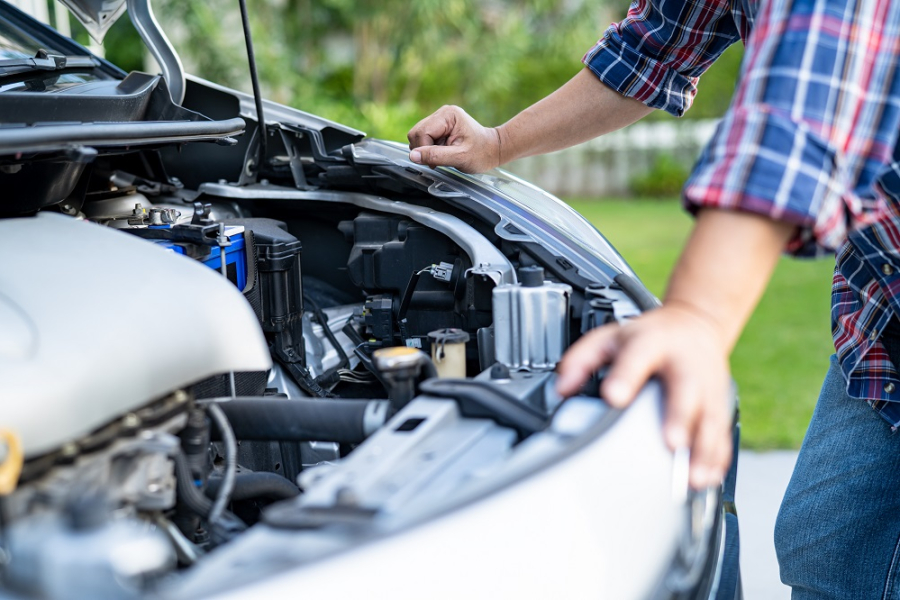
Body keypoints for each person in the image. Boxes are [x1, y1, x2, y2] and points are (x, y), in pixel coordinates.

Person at [407, 0, 900, 595]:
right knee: (830, 550)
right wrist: (498, 143)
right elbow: (650, 50)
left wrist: (698, 316)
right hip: (881, 311)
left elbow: (807, 97)